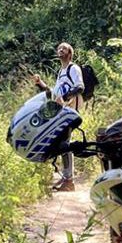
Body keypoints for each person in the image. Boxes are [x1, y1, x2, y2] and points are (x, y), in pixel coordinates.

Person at [33, 42, 84, 191]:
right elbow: (54, 95)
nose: (60, 50)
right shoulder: (61, 72)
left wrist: (66, 97)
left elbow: (80, 87)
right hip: (61, 113)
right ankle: (66, 179)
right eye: (59, 48)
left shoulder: (73, 68)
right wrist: (40, 84)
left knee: (64, 144)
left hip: (70, 113)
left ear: (70, 53)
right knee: (61, 143)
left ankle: (69, 182)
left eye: (64, 48)